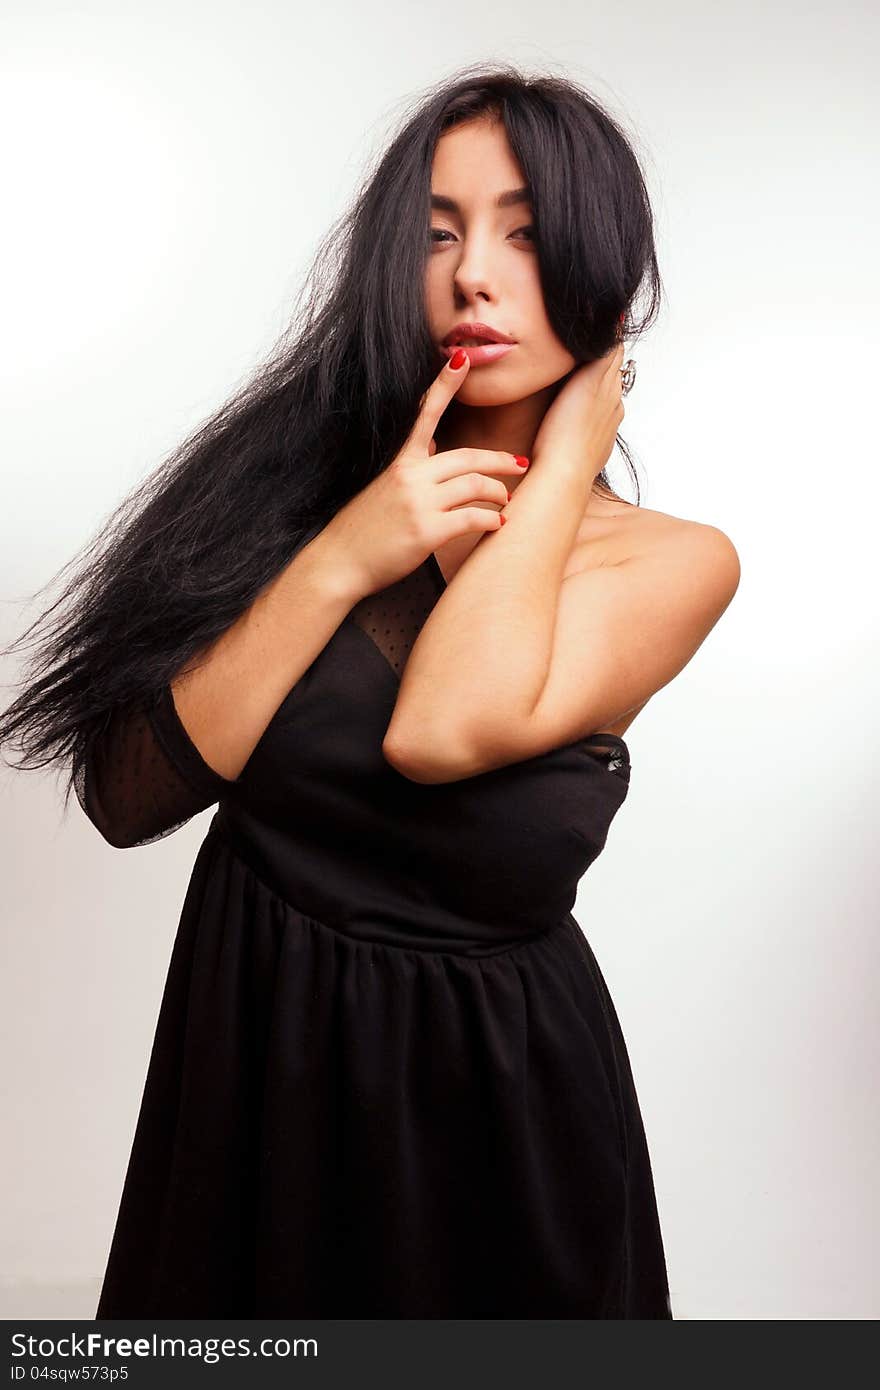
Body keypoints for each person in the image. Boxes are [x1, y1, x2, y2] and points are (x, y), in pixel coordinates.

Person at [0, 65, 739, 1318]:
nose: (473, 274)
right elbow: (128, 796)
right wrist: (346, 553)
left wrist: (559, 463)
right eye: (438, 232)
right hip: (258, 1088)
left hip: (505, 1120)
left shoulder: (670, 562)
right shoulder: (290, 482)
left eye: (524, 230)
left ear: (607, 270)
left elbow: (444, 725)